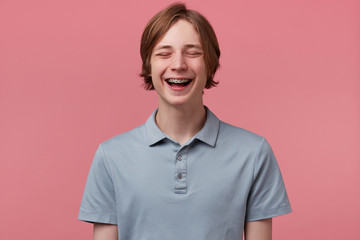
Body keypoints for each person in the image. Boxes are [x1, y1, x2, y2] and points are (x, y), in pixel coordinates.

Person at [78, 3, 291, 240]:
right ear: (148, 65)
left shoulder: (254, 153)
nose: (178, 64)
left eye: (193, 52)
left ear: (210, 64)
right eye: (164, 53)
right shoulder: (110, 157)